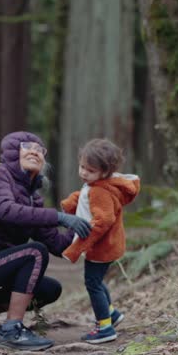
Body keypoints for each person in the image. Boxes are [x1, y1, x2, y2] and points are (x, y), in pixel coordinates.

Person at [0, 131, 92, 351]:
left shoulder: (32, 198)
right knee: (34, 253)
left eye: (40, 149)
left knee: (49, 289)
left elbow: (56, 244)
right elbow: (6, 210)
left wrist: (88, 222)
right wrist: (59, 217)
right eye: (27, 146)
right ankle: (11, 329)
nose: (35, 151)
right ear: (11, 152)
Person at [61, 139, 140, 344]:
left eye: (90, 170)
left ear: (104, 172)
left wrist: (78, 247)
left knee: (93, 284)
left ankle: (104, 327)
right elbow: (86, 195)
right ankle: (112, 314)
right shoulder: (98, 184)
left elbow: (103, 220)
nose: (84, 173)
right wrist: (72, 203)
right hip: (110, 245)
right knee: (97, 281)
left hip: (101, 247)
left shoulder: (100, 190)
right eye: (82, 167)